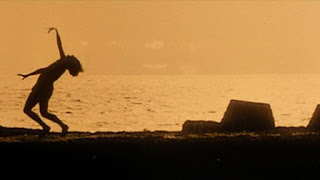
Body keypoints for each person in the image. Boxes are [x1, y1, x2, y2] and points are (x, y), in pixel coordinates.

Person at [18, 27, 83, 136]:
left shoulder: (61, 66)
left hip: (45, 88)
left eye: (72, 57)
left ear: (70, 63)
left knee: (42, 112)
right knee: (28, 110)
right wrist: (56, 31)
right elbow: (59, 45)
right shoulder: (62, 60)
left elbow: (44, 70)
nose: (71, 55)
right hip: (40, 86)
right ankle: (47, 126)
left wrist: (29, 75)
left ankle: (61, 126)